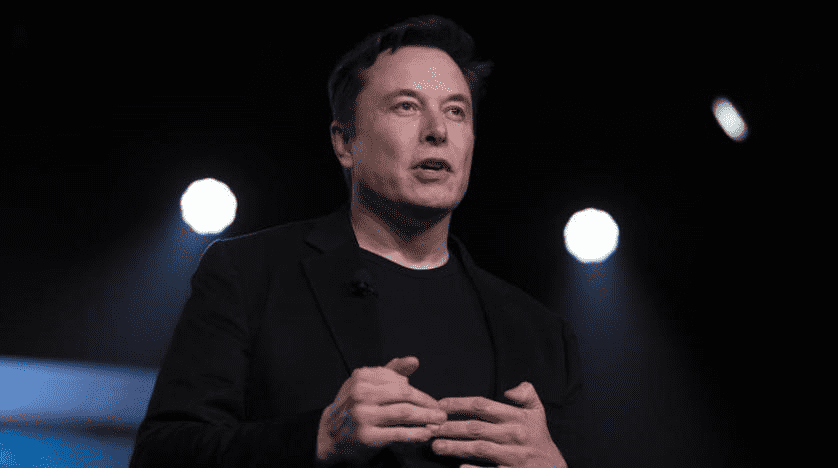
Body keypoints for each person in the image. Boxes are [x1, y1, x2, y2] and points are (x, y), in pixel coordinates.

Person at [130, 15, 588, 468]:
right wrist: (321, 437)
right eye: (406, 106)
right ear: (345, 143)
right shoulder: (249, 274)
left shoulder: (541, 335)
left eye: (456, 111)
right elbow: (161, 455)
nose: (438, 131)